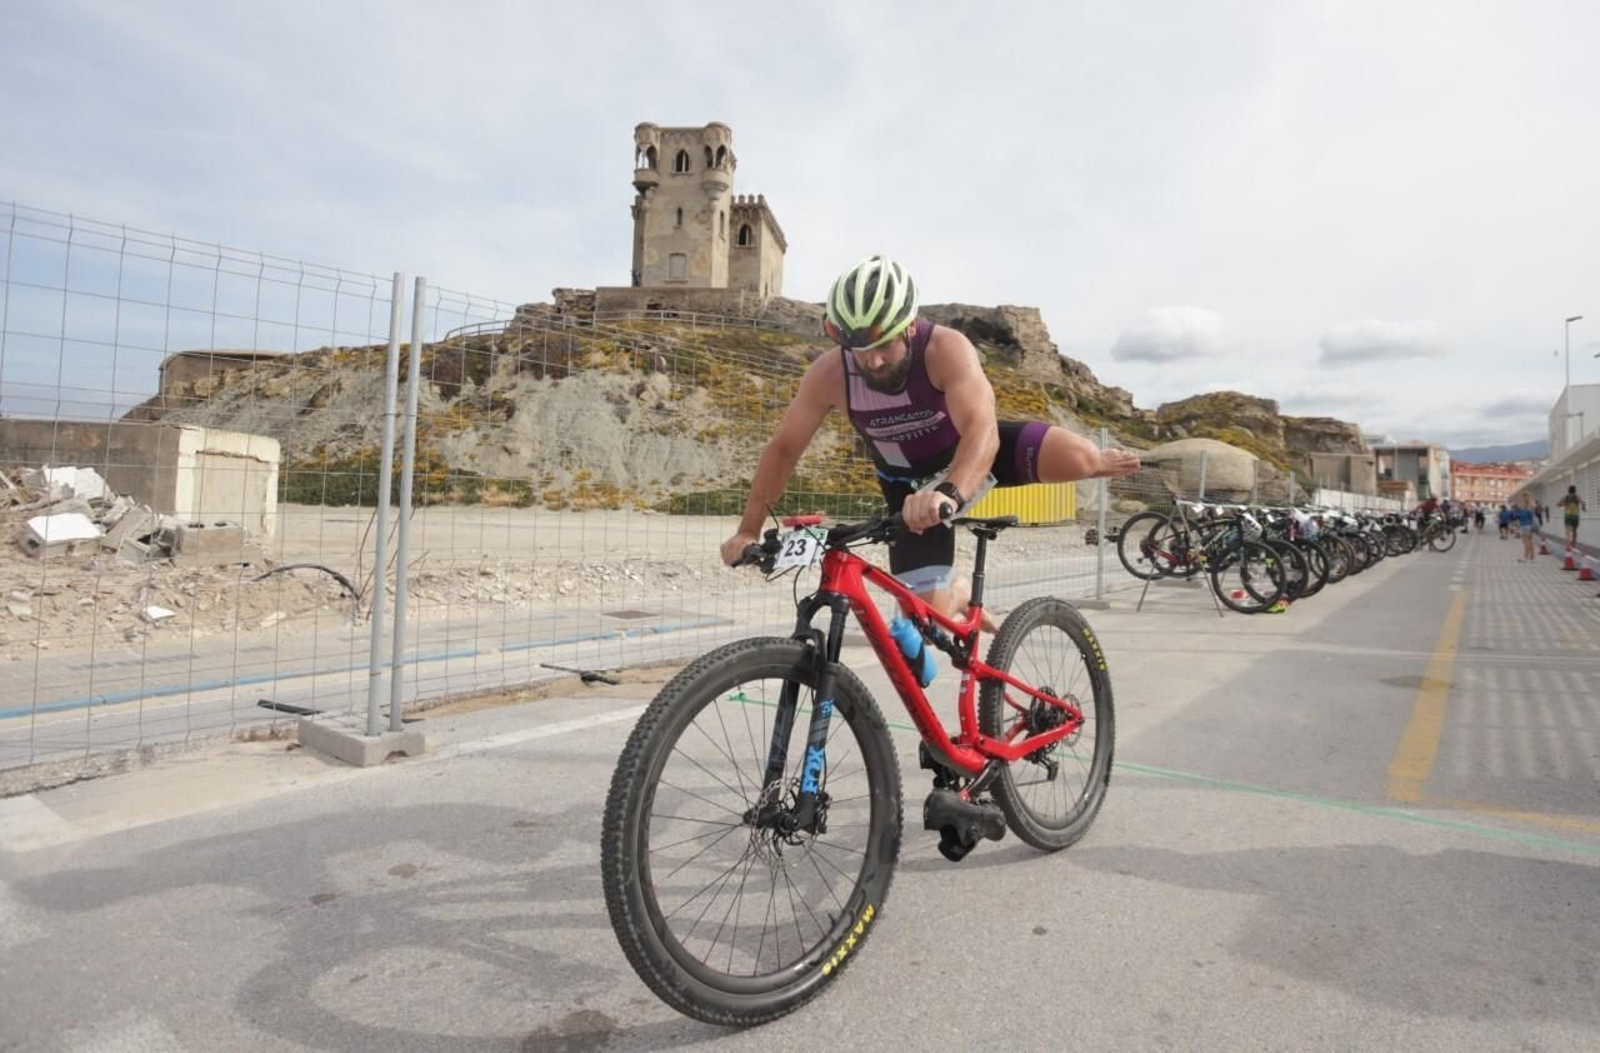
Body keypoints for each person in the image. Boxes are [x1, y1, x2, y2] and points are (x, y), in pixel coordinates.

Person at [719, 254, 1141, 622]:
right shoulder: (829, 374)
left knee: (1081, 458)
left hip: (971, 455)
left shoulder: (945, 348)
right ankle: (959, 596)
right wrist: (748, 531)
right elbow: (785, 449)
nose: (872, 361)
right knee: (926, 621)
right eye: (858, 349)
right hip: (907, 487)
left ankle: (1098, 459)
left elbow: (981, 430)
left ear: (908, 327)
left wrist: (950, 491)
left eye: (884, 345)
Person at [1513, 494, 1537, 562]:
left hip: (1524, 525)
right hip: (1530, 525)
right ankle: (1532, 557)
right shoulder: (1531, 506)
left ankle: (1525, 557)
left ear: (1523, 498)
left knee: (1526, 542)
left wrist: (1516, 511)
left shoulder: (1524, 507)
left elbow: (1519, 516)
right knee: (1530, 541)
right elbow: (1531, 516)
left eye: (1521, 498)